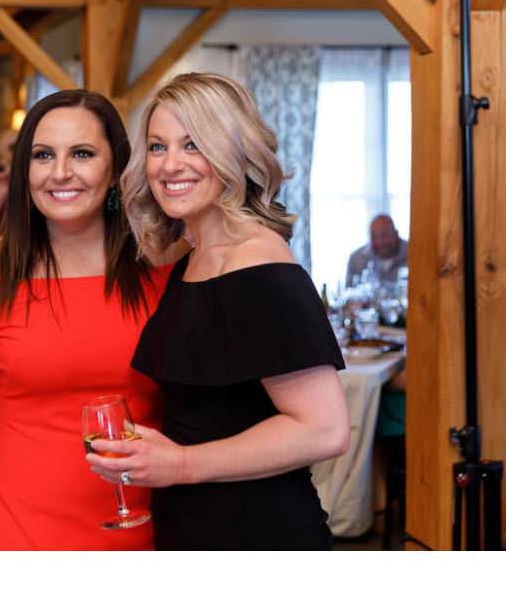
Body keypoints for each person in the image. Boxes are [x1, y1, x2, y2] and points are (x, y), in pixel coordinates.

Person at [90, 72, 350, 550]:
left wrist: (182, 464)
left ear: (235, 152)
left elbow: (324, 430)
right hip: (195, 526)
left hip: (259, 535)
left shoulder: (259, 264)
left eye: (193, 144)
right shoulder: (193, 259)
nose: (170, 165)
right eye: (157, 146)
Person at [0, 90, 183, 550]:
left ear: (116, 169)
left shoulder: (165, 267)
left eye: (82, 154)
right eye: (43, 155)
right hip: (25, 530)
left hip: (155, 523)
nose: (60, 172)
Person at [345, 214, 408, 288]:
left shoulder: (413, 254)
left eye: (384, 235)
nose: (380, 242)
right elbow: (349, 291)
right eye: (374, 236)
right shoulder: (356, 258)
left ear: (396, 234)